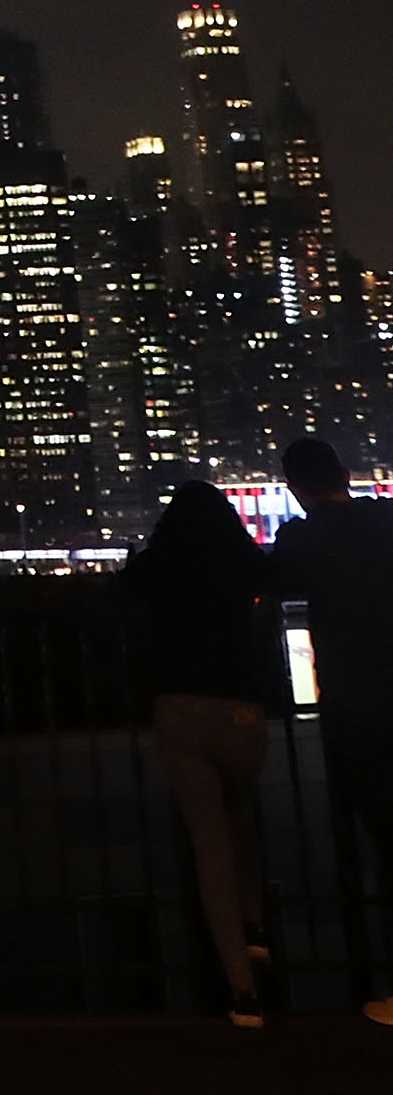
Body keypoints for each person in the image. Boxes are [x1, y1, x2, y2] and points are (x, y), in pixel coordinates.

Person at [124, 481, 276, 1025]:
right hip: (241, 709)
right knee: (240, 813)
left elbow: (125, 593)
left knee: (209, 845)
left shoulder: (156, 565)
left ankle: (241, 992)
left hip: (179, 710)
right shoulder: (241, 560)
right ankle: (256, 924)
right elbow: (272, 587)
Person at [269, 437, 393, 1026]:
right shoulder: (386, 520)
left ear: (295, 489)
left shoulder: (301, 540)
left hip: (357, 706)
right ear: (346, 473)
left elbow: (269, 583)